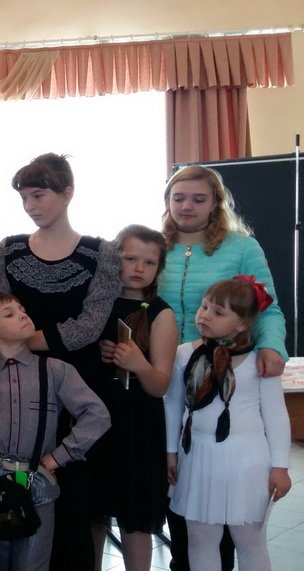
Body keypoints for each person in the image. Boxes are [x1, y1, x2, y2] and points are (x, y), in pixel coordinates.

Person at [0, 152, 120, 571]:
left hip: (78, 386)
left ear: (67, 193)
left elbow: (90, 326)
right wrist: (17, 346)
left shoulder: (101, 253)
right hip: (20, 385)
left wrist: (22, 341)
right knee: (19, 497)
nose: (30, 206)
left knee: (75, 500)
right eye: (24, 197)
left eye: (38, 195)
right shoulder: (9, 249)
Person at [154, 165, 288, 571]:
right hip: (162, 375)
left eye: (198, 198)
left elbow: (268, 309)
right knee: (188, 506)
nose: (187, 206)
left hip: (224, 371)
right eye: (178, 198)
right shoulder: (156, 245)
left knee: (239, 526)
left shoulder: (241, 246)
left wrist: (271, 346)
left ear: (216, 202)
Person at [0, 293, 110, 571]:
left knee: (33, 562)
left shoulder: (55, 370)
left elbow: (97, 415)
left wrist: (60, 456)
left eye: (22, 309)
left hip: (37, 481)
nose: (22, 314)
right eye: (9, 314)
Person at [165, 276, 291, 571]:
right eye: (204, 306)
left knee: (249, 540)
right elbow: (172, 404)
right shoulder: (185, 353)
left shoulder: (259, 360)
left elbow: (276, 414)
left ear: (242, 324)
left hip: (247, 462)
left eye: (218, 312)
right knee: (200, 537)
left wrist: (280, 466)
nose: (205, 315)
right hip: (197, 457)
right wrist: (170, 451)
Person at [90, 226, 177, 571]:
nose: (139, 268)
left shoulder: (161, 313)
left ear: (159, 267)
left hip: (138, 426)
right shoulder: (98, 304)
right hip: (97, 420)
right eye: (130, 259)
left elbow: (160, 384)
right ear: (115, 259)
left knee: (135, 517)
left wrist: (138, 363)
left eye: (149, 262)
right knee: (94, 510)